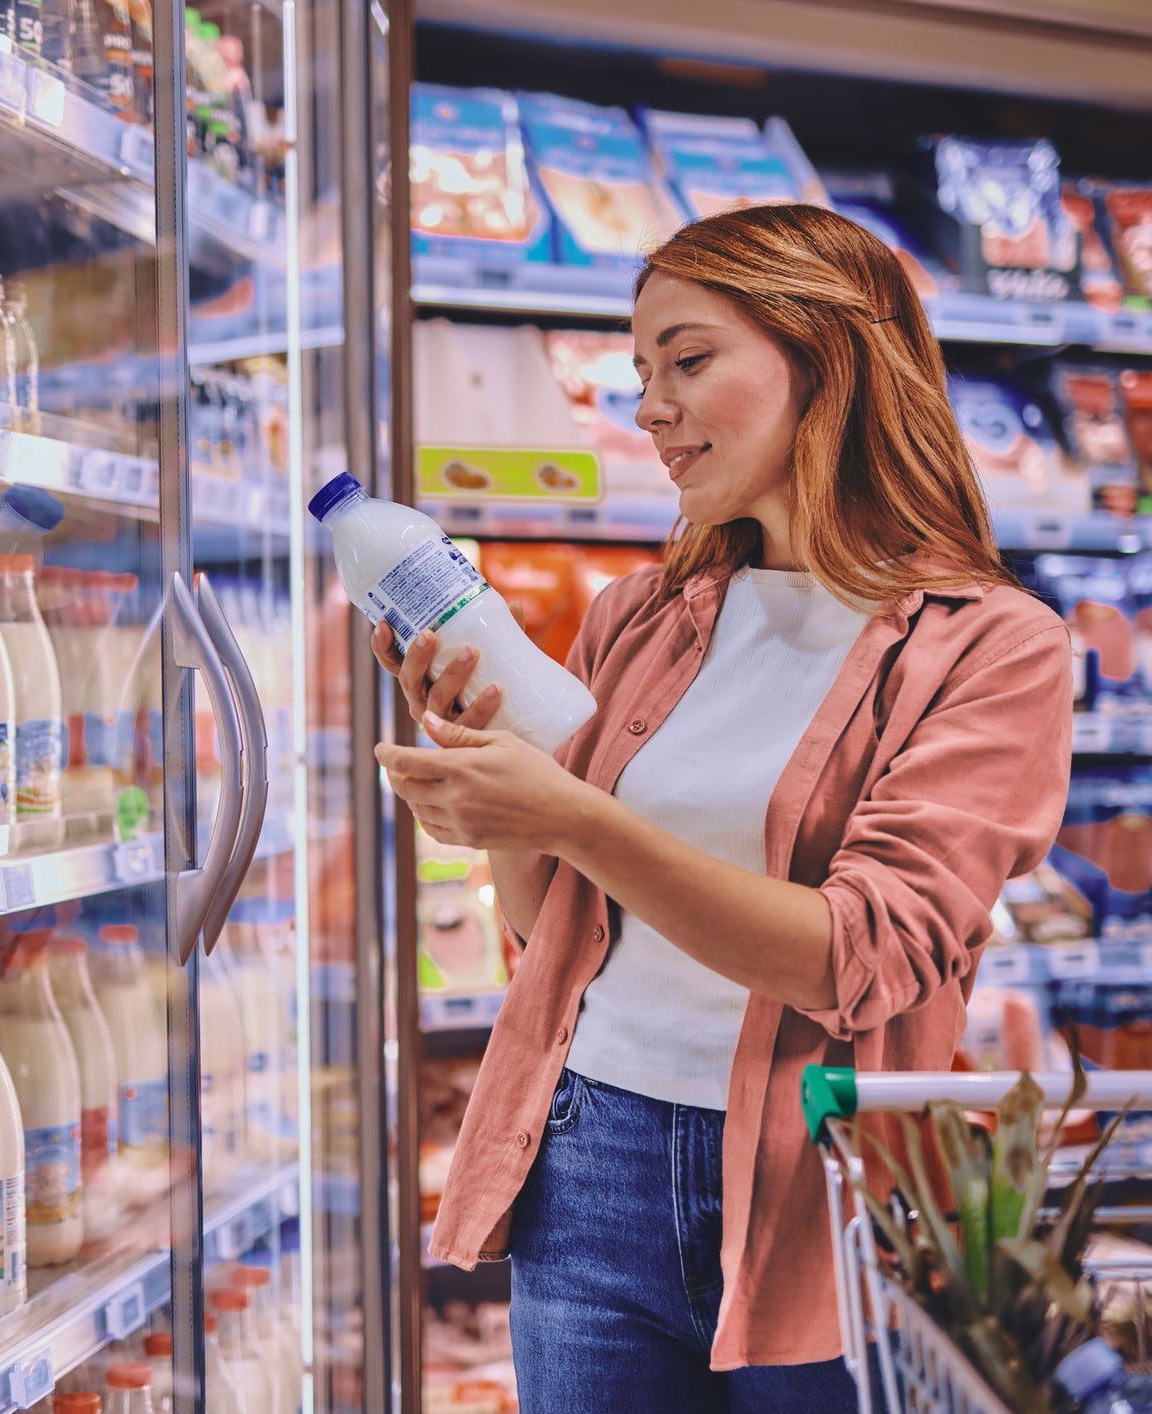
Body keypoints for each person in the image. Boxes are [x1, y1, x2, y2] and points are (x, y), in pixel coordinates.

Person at [374, 203, 1074, 1413]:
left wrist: (573, 815)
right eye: (642, 371)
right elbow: (553, 935)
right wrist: (509, 804)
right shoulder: (637, 617)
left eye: (687, 360)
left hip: (823, 1180)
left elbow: (861, 956)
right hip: (587, 1160)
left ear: (828, 359)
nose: (648, 406)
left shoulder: (991, 648)